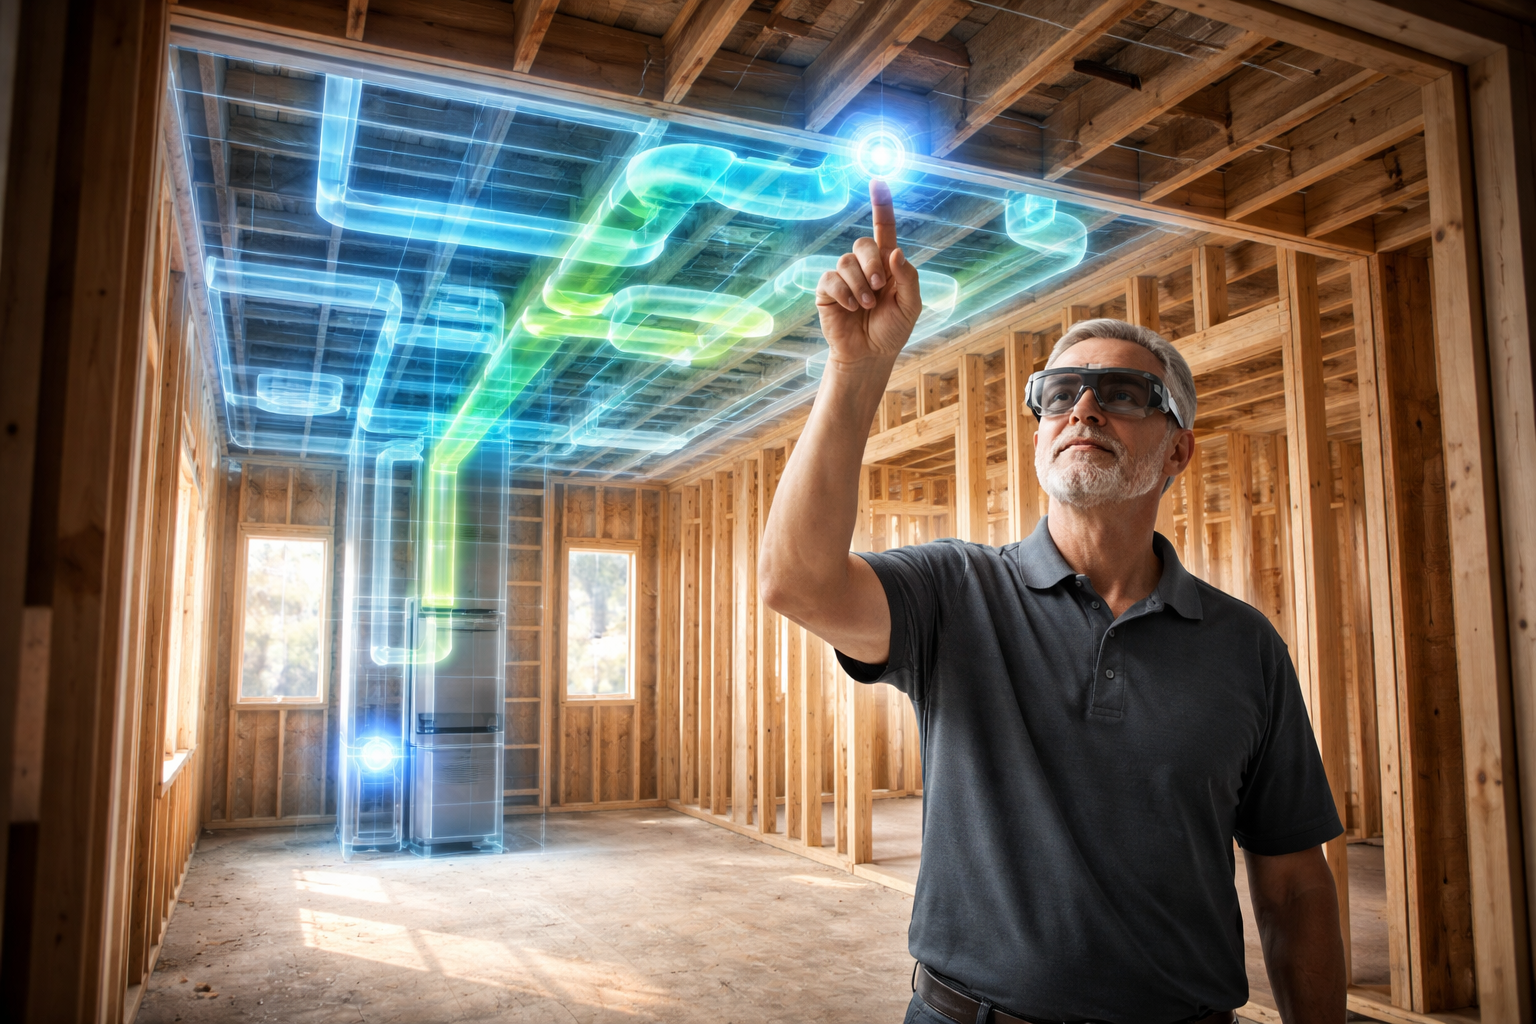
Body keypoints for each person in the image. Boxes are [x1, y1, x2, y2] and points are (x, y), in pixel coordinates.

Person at [758, 178, 1347, 1024]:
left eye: (1121, 394)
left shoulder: (1243, 644)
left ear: (1179, 450)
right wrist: (858, 366)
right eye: (1061, 392)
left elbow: (1293, 882)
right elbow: (797, 581)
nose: (1083, 408)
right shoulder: (959, 593)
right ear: (1038, 429)